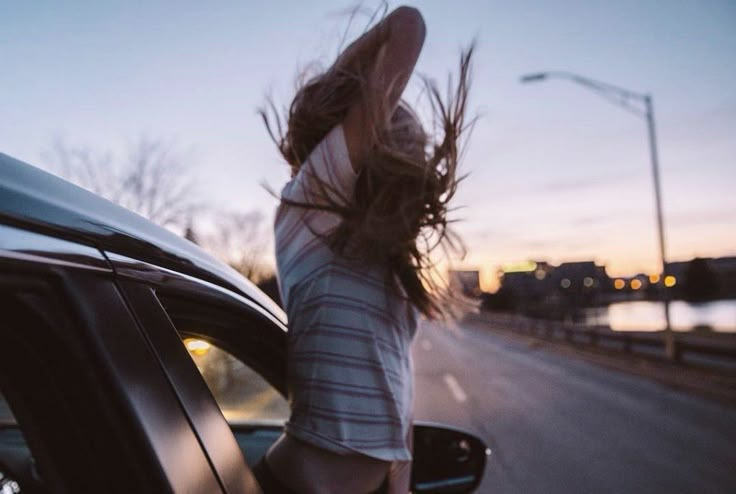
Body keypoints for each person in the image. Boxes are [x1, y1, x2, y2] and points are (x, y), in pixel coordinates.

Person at [256, 5, 473, 493]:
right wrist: (334, 92)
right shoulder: (313, 207)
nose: (417, 155)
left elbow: (396, 385)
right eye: (404, 143)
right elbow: (407, 25)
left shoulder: (384, 262)